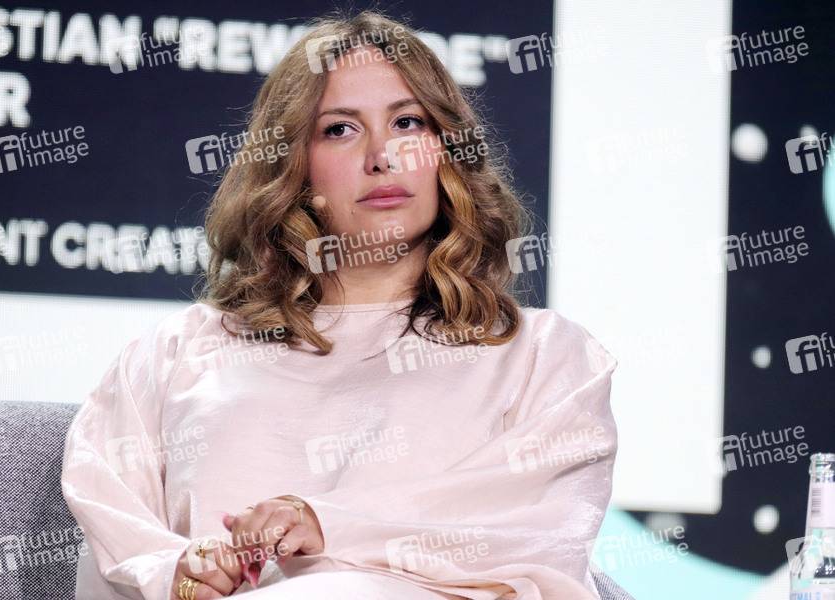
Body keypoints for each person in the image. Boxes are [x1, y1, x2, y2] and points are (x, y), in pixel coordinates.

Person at [61, 10, 617, 600]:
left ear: (446, 151)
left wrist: (326, 524)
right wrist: (179, 572)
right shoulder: (176, 352)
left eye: (407, 122)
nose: (382, 155)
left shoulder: (540, 354)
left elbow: (541, 542)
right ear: (292, 165)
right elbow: (112, 528)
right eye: (340, 129)